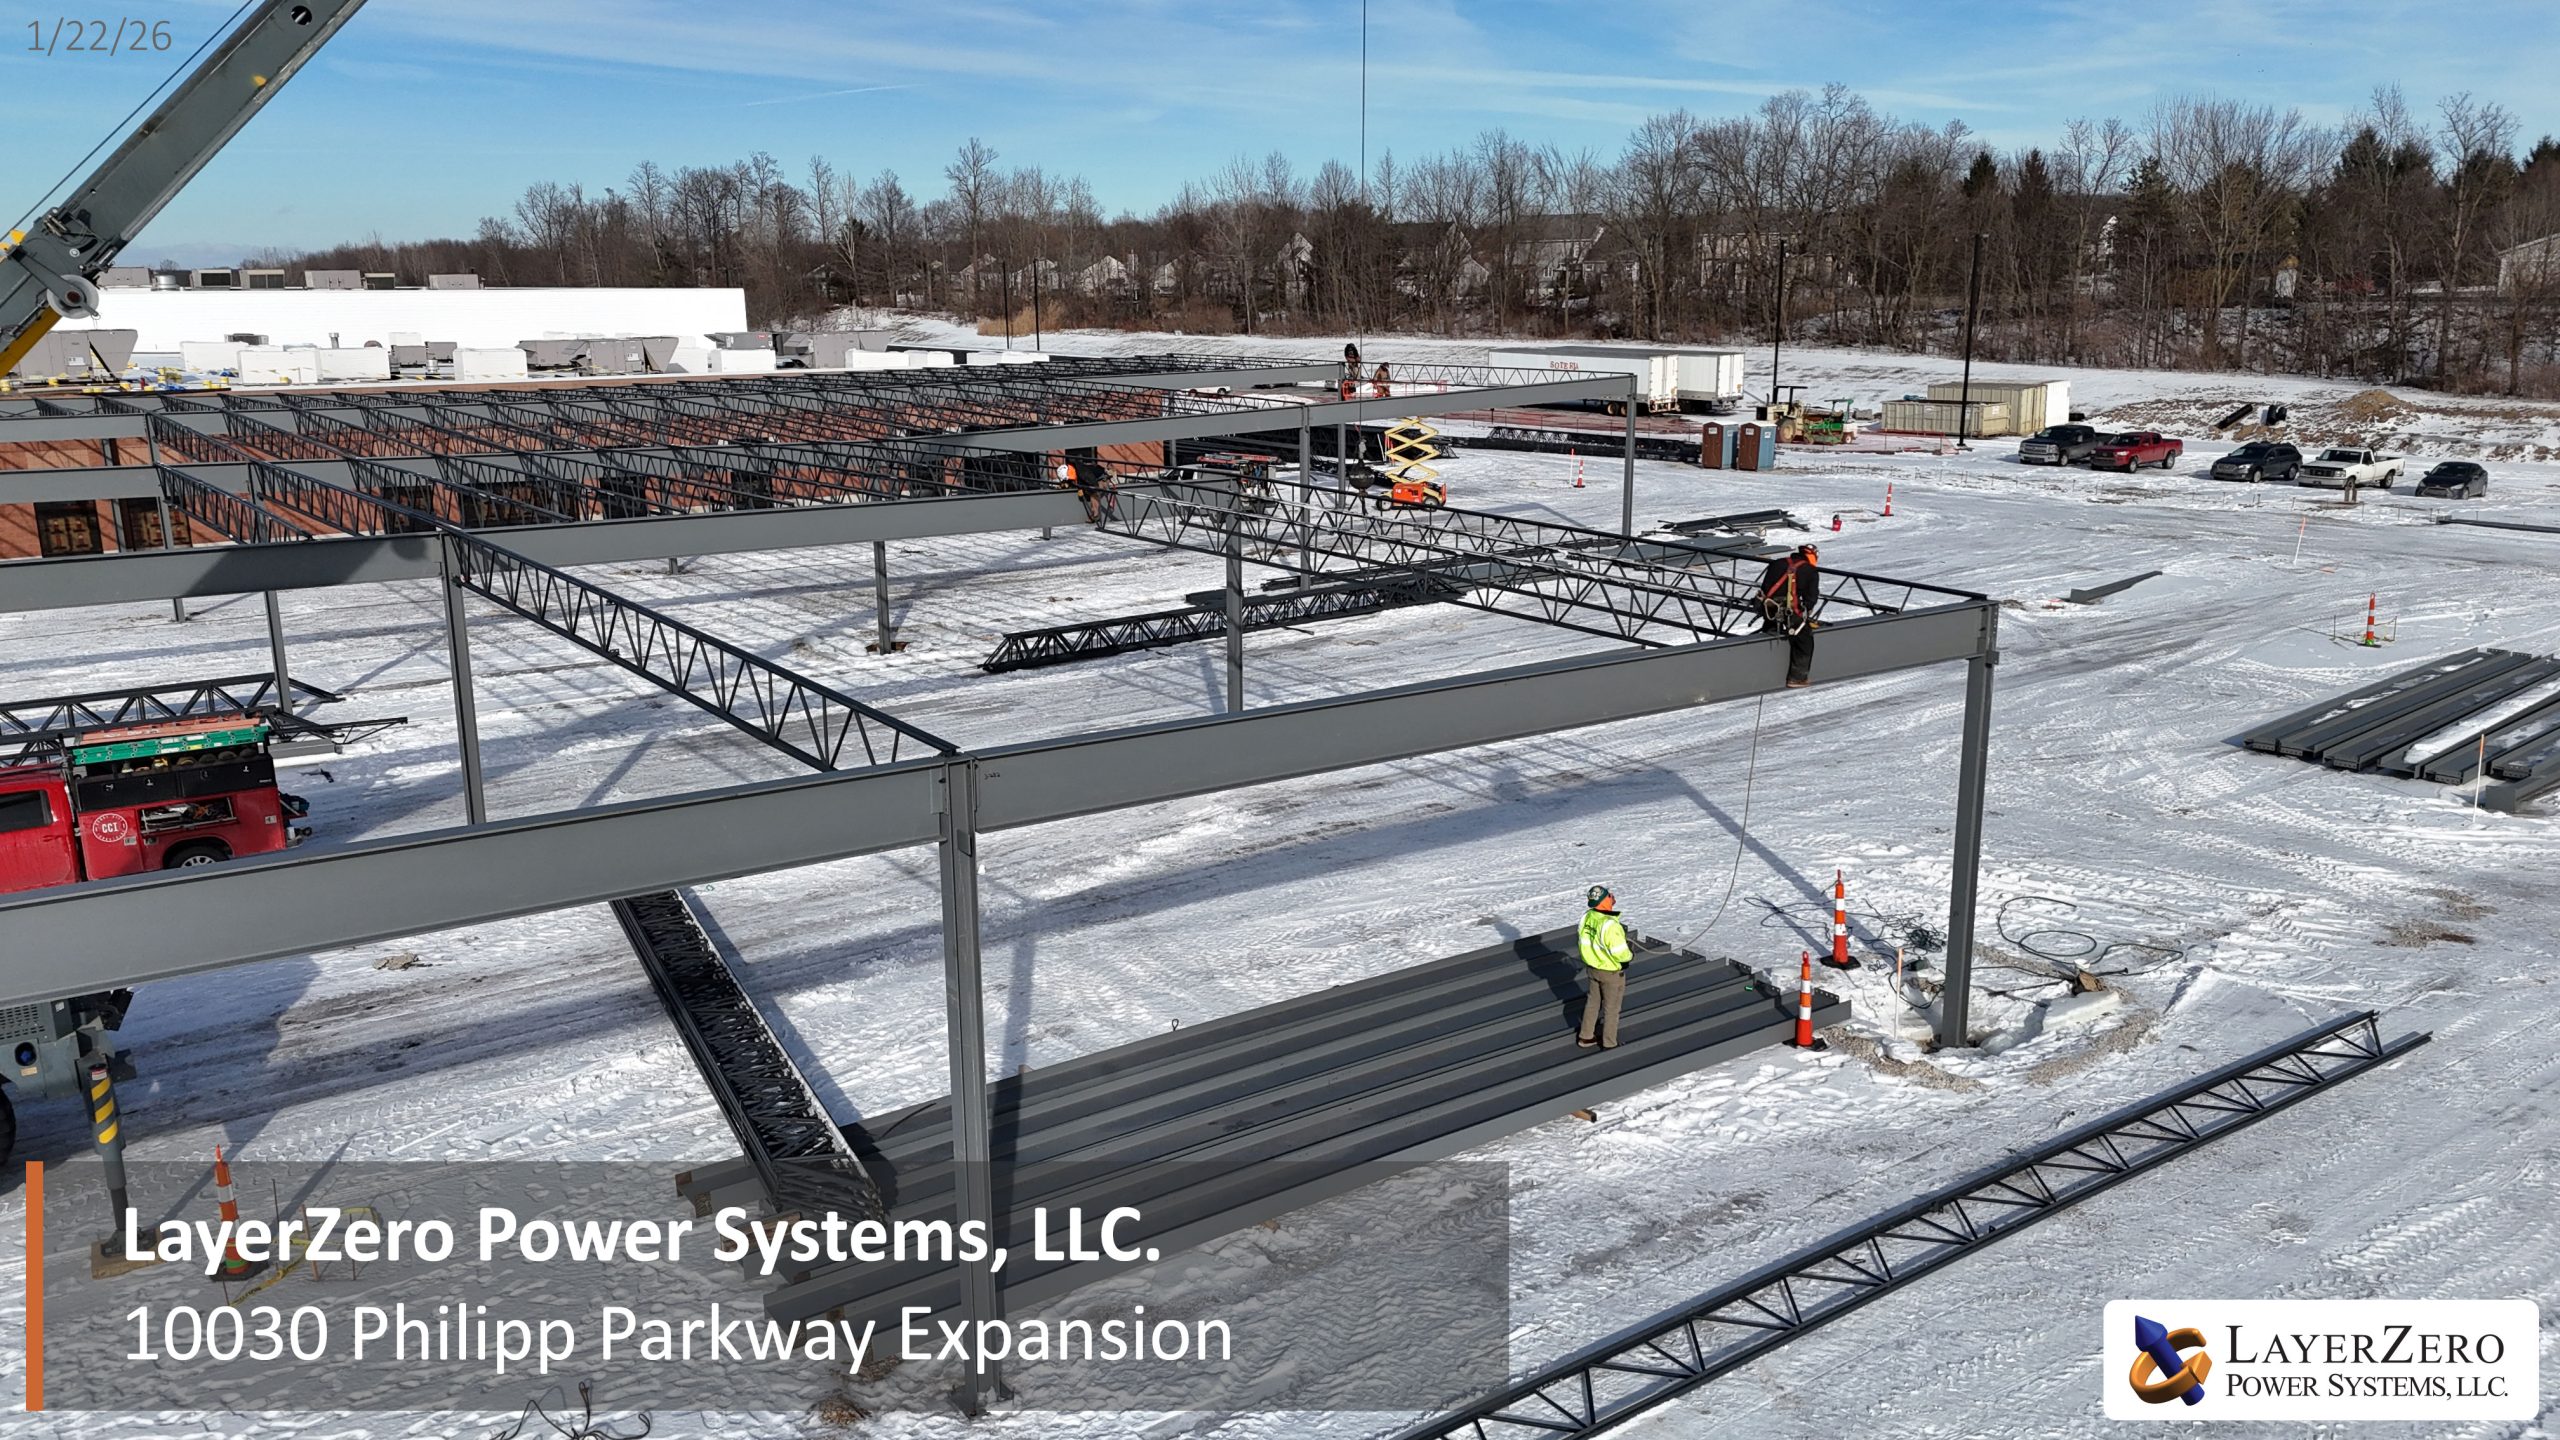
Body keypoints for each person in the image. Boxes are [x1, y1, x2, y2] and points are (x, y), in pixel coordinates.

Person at [1577, 884, 1634, 1049]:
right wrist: (1629, 956)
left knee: (1593, 1002)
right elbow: (1620, 953)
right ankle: (1609, 1043)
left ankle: (1586, 1037)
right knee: (1612, 1008)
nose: (1612, 897)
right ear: (1603, 901)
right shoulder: (1610, 925)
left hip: (1593, 969)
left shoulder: (1587, 917)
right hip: (1610, 973)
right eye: (1609, 896)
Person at [1758, 542, 1823, 688]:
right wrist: (1806, 612)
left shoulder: (1777, 563)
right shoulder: (1810, 570)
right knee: (1804, 640)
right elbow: (1810, 598)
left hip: (1769, 609)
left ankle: (1763, 669)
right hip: (1789, 612)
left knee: (1769, 631)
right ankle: (1797, 678)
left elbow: (1765, 587)